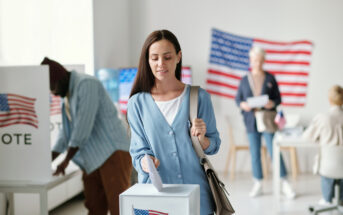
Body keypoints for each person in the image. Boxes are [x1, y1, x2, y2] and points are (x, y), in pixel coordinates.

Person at [126, 30, 221, 215]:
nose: (161, 64)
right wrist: (146, 163)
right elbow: (138, 152)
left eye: (167, 57)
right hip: (155, 201)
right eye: (154, 58)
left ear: (178, 57)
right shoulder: (136, 103)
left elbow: (214, 145)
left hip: (198, 199)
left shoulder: (199, 98)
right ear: (148, 61)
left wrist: (202, 140)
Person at [41, 57, 132, 215]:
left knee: (119, 208)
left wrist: (66, 160)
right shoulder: (67, 97)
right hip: (91, 159)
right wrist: (45, 162)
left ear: (60, 78)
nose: (53, 93)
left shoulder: (86, 84)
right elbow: (65, 134)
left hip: (112, 153)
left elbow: (83, 127)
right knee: (94, 207)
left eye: (52, 87)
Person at [235, 46, 295, 199]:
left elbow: (278, 99)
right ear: (251, 60)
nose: (258, 63)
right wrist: (244, 105)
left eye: (260, 61)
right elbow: (238, 100)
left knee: (274, 150)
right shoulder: (244, 80)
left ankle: (284, 182)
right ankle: (258, 183)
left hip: (267, 120)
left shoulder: (270, 78)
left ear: (264, 61)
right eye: (255, 60)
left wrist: (271, 104)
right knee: (255, 153)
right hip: (251, 121)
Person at [302, 85, 343, 205]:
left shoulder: (322, 118)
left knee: (329, 168)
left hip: (328, 167)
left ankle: (327, 200)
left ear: (329, 100)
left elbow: (307, 137)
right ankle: (340, 199)